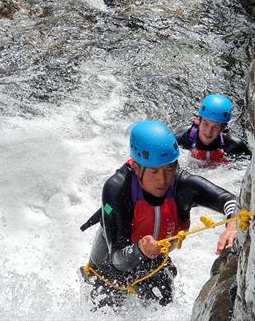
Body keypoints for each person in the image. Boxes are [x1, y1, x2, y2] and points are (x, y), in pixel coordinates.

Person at [80, 120, 238, 308]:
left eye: (169, 169)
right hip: (108, 271)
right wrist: (140, 249)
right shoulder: (117, 188)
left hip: (151, 264)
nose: (163, 180)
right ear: (137, 169)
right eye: (154, 171)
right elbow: (118, 259)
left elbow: (229, 200)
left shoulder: (181, 184)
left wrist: (232, 224)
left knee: (165, 302)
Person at [177, 94, 251, 164]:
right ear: (198, 121)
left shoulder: (234, 146)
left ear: (223, 128)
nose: (208, 132)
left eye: (215, 127)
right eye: (205, 124)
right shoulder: (185, 139)